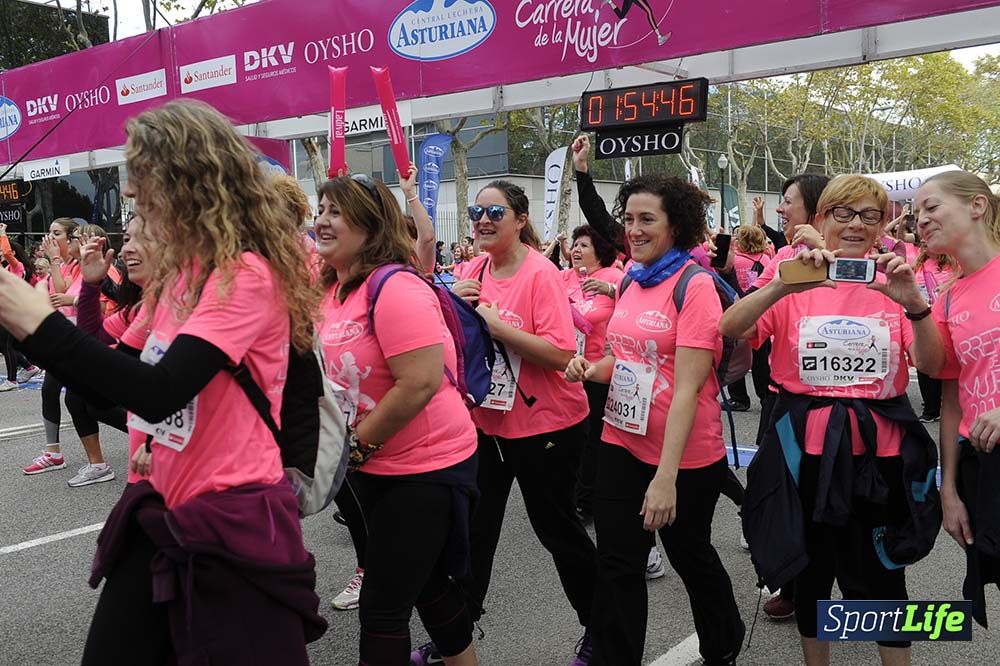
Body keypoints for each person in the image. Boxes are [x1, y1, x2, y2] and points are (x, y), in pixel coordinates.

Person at [0, 99, 326, 664]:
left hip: (231, 523)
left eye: (139, 179)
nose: (129, 195)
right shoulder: (179, 279)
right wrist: (33, 325)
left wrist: (39, 324)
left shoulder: (244, 274)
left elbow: (160, 390)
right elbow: (104, 386)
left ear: (187, 183)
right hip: (161, 507)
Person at [721, 174, 944, 666]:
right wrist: (781, 285)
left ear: (883, 224)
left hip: (878, 455)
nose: (855, 225)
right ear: (821, 220)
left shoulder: (896, 276)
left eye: (869, 215)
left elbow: (930, 365)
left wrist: (915, 306)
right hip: (804, 453)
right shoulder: (792, 272)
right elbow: (731, 327)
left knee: (884, 577)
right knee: (812, 573)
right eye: (842, 213)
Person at [565, 175, 744, 666]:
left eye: (648, 220)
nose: (634, 230)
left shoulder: (696, 285)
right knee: (617, 562)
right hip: (621, 440)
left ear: (676, 225)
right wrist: (591, 367)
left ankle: (723, 641)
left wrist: (665, 478)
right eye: (629, 220)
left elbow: (687, 386)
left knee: (691, 556)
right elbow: (626, 359)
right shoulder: (630, 279)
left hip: (682, 455)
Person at [314, 173, 479, 666]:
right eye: (320, 209)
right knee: (425, 583)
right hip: (374, 464)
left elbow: (421, 381)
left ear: (371, 224)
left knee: (383, 608)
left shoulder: (397, 287)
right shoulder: (335, 289)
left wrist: (355, 446)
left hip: (427, 467)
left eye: (335, 212)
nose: (321, 220)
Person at [450, 180, 597, 664]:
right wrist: (453, 304)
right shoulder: (471, 269)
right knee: (474, 530)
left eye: (495, 212)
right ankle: (457, 636)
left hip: (547, 427)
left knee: (557, 531)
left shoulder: (540, 275)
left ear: (520, 220)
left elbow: (559, 353)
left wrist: (496, 325)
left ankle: (600, 628)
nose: (483, 220)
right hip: (488, 426)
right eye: (477, 211)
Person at [909, 170, 1000, 629]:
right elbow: (951, 399)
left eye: (931, 207)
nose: (919, 220)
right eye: (916, 213)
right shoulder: (947, 297)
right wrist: (949, 491)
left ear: (977, 206)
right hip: (982, 467)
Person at [63, 217, 149, 487]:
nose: (126, 250)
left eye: (140, 239)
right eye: (125, 240)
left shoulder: (189, 305)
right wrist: (90, 286)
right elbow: (93, 340)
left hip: (203, 471)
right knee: (81, 398)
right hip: (155, 468)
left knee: (84, 396)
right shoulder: (139, 309)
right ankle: (97, 463)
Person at [559, 225, 625, 522]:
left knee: (594, 439)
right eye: (574, 244)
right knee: (570, 437)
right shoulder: (563, 278)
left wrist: (611, 290)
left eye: (583, 245)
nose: (575, 249)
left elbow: (637, 299)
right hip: (567, 370)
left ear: (599, 250)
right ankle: (570, 493)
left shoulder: (613, 277)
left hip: (600, 371)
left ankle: (588, 500)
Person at [21, 217, 81, 473]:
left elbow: (62, 292)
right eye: (49, 232)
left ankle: (152, 439)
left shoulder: (76, 265)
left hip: (87, 341)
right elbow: (52, 296)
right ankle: (53, 453)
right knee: (52, 392)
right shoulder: (63, 265)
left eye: (56, 233)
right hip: (66, 340)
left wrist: (55, 260)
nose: (50, 238)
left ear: (70, 238)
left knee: (97, 405)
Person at [726, 225, 772, 411]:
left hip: (737, 310)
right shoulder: (767, 259)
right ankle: (764, 395)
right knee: (761, 361)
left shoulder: (734, 260)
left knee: (736, 356)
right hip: (762, 313)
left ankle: (739, 398)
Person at [912, 242, 955, 423]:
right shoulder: (918, 264)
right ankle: (931, 407)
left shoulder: (954, 265)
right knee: (924, 364)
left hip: (948, 319)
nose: (923, 243)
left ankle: (939, 404)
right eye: (922, 241)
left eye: (927, 241)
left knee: (947, 363)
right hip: (924, 318)